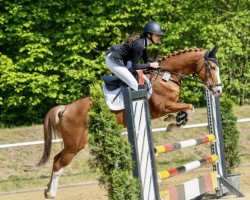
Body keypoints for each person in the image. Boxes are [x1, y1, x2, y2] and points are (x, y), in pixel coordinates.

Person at [105, 21, 165, 91]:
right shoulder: (139, 45)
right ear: (149, 35)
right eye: (157, 35)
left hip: (121, 59)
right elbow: (135, 66)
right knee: (134, 85)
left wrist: (160, 63)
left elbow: (146, 60)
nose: (159, 37)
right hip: (113, 59)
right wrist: (151, 64)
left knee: (136, 76)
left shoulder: (143, 43)